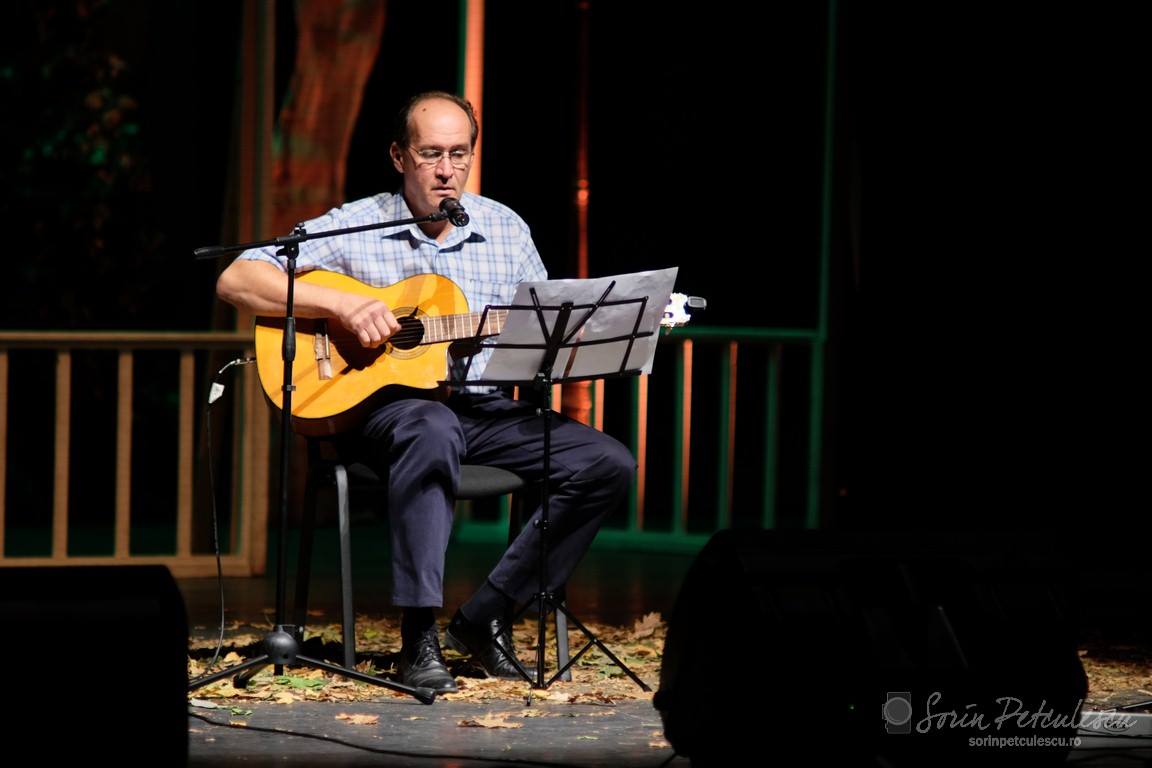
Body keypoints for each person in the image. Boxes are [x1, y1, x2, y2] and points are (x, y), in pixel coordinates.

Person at [216, 91, 635, 694]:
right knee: (430, 427)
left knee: (606, 462)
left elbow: (545, 325)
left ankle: (487, 613)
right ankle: (419, 635)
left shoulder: (505, 229)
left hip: (479, 408)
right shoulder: (357, 224)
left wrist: (570, 336)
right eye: (430, 153)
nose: (446, 169)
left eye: (459, 154)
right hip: (381, 413)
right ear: (399, 157)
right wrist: (340, 303)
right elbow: (238, 277)